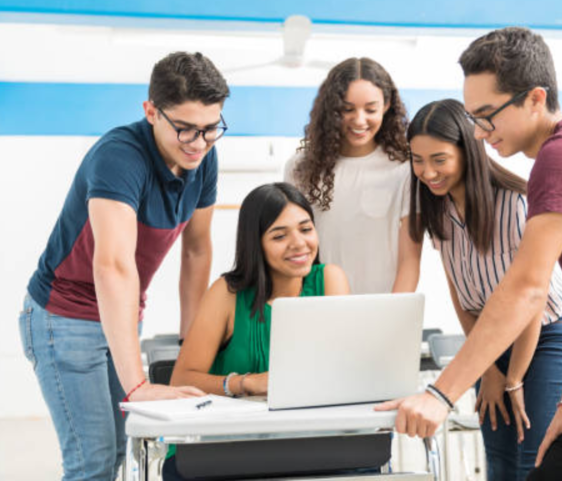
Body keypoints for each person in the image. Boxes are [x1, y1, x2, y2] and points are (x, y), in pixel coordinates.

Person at [378, 26, 562, 481]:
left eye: (487, 116)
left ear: (535, 99)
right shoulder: (561, 165)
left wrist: (440, 395)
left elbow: (525, 289)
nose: (479, 134)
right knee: (553, 468)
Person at [19, 52, 230, 481]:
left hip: (120, 314)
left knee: (120, 449)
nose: (198, 142)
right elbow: (113, 265)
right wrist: (137, 384)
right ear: (151, 111)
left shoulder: (203, 157)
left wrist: (191, 344)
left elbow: (196, 251)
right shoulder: (119, 157)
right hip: (65, 316)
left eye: (210, 129)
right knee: (93, 461)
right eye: (185, 129)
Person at [406, 98, 562, 480]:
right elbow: (458, 289)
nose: (428, 171)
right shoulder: (437, 209)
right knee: (499, 461)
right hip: (488, 337)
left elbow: (531, 299)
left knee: (533, 459)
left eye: (439, 159)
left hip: (544, 333)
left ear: (469, 150)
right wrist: (489, 370)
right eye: (417, 159)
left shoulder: (514, 204)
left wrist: (513, 378)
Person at [162, 182, 350, 480]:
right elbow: (182, 380)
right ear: (255, 243)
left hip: (307, 443)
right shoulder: (227, 293)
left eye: (306, 229)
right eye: (279, 235)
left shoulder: (329, 280)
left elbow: (341, 369)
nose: (299, 243)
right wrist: (247, 384)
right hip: (228, 449)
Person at [284, 57, 422, 294]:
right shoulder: (300, 167)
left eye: (370, 109)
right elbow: (292, 249)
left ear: (387, 105)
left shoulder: (404, 168)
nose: (359, 120)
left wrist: (394, 315)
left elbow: (410, 260)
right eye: (347, 109)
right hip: (317, 305)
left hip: (381, 309)